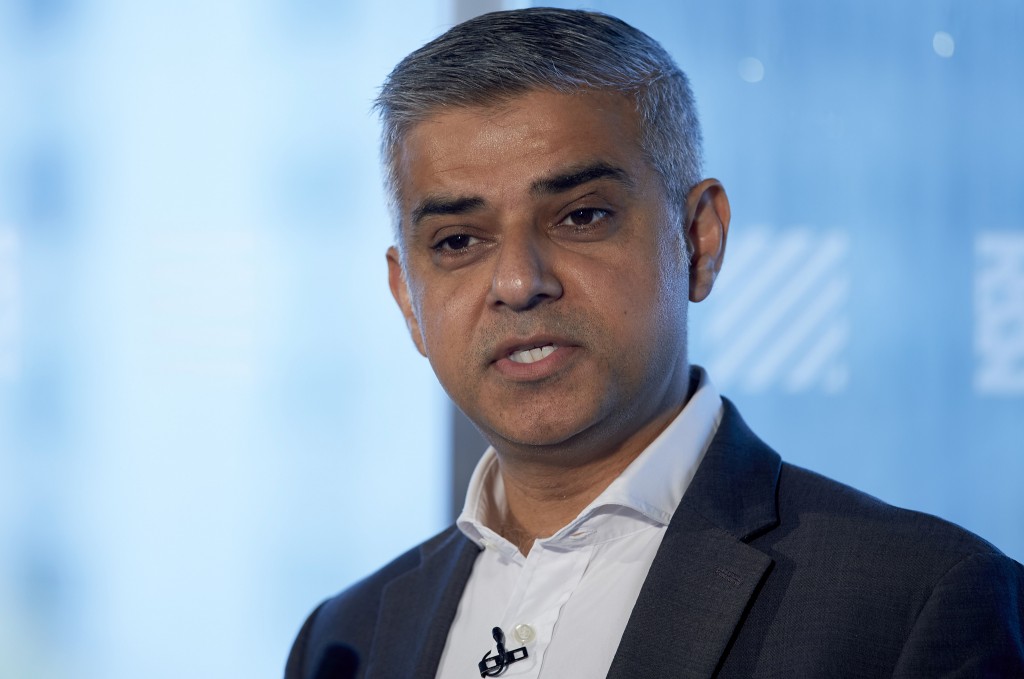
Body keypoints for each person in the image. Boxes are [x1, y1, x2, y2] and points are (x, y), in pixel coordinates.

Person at [286, 8, 1024, 678]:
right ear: (407, 299)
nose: (517, 281)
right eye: (456, 239)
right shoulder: (346, 638)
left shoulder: (917, 602)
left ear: (699, 239)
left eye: (580, 217)